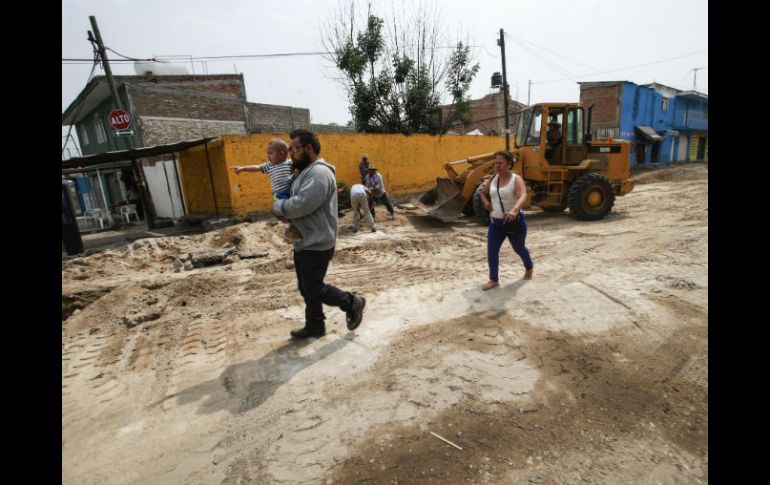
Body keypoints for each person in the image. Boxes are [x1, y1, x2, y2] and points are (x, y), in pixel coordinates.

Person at [273, 129, 366, 339]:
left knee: (314, 287)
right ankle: (315, 325)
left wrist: (279, 206)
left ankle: (351, 302)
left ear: (308, 148)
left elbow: (303, 204)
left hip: (318, 242)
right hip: (305, 241)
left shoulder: (319, 173)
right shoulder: (306, 172)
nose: (291, 153)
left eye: (294, 148)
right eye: (289, 149)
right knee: (305, 288)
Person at [478, 150, 533, 290]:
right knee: (492, 250)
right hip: (496, 223)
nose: (497, 166)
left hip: (514, 221)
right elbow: (483, 193)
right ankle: (493, 279)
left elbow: (523, 195)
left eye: (500, 163)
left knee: (519, 248)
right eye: (495, 163)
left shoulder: (516, 179)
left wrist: (514, 211)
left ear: (509, 164)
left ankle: (529, 267)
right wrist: (485, 203)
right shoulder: (493, 178)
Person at [233, 139, 302, 243]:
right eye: (267, 153)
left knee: (293, 210)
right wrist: (243, 168)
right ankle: (289, 227)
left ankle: (296, 227)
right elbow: (256, 167)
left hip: (291, 191)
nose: (268, 156)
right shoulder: (269, 166)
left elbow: (300, 167)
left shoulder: (290, 163)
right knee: (278, 211)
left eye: (270, 153)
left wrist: (297, 173)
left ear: (282, 154)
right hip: (278, 194)